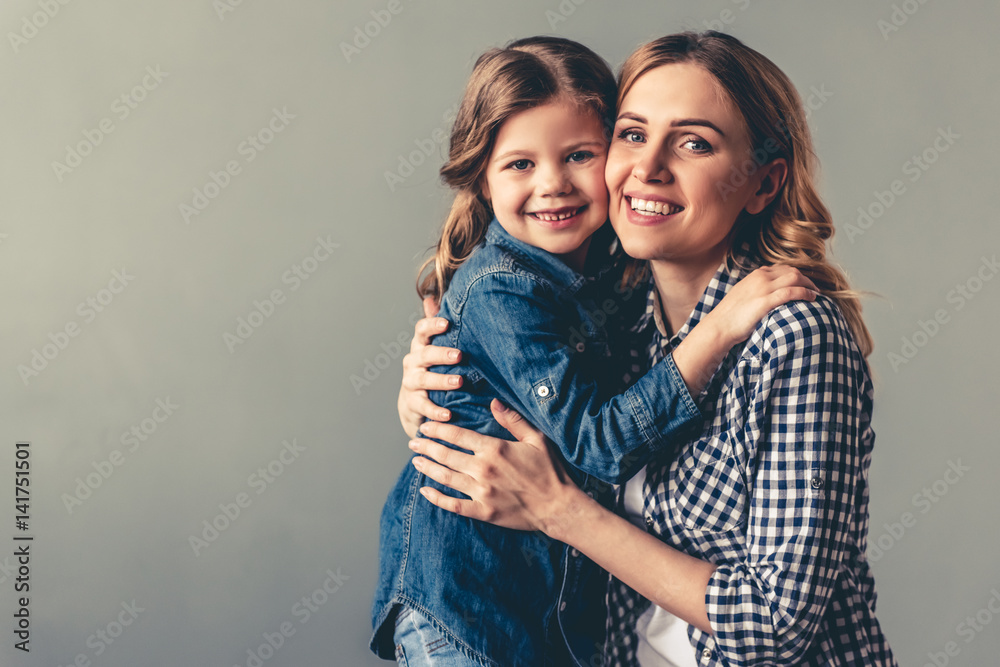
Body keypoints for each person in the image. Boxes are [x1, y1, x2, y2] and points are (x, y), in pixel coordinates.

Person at [401, 31, 897, 666]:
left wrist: (563, 512)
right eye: (632, 135)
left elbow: (774, 627)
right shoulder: (618, 321)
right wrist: (426, 398)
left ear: (763, 184)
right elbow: (540, 425)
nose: (649, 167)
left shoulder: (794, 335)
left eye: (694, 143)